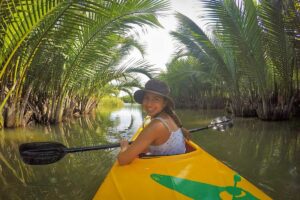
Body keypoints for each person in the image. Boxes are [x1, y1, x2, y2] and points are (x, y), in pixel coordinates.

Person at [118, 79, 190, 165]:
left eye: (156, 99)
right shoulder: (169, 116)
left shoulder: (156, 125)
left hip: (168, 170)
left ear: (164, 103)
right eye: (146, 98)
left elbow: (123, 160)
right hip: (176, 165)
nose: (149, 104)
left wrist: (124, 147)